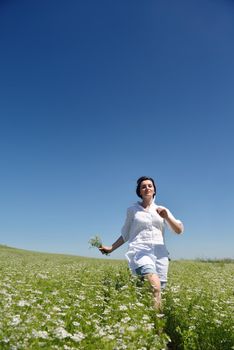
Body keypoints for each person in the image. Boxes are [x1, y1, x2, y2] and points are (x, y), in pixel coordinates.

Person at [99, 176, 184, 309]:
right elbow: (125, 233)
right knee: (154, 287)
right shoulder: (132, 210)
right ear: (139, 191)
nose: (147, 188)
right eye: (143, 186)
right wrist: (111, 248)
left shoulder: (162, 209)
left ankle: (156, 325)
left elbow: (178, 230)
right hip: (140, 251)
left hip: (160, 254)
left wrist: (166, 216)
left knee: (157, 291)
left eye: (150, 186)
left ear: (154, 190)